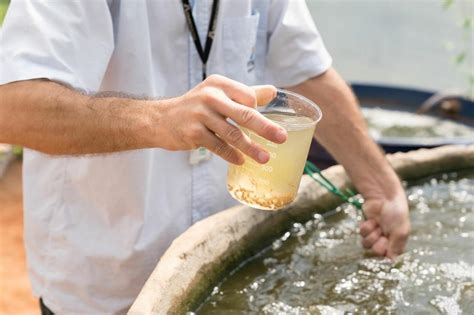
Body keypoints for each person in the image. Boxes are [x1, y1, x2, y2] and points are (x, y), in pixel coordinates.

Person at [0, 0, 410, 313]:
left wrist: (382, 185)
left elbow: (305, 67)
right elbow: (12, 108)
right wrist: (159, 120)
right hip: (106, 280)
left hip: (227, 258)